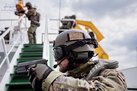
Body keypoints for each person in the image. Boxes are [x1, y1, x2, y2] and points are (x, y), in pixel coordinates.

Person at [28, 30, 127, 91]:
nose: (55, 59)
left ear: (74, 52)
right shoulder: (69, 77)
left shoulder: (110, 74)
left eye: (58, 53)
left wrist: (50, 79)